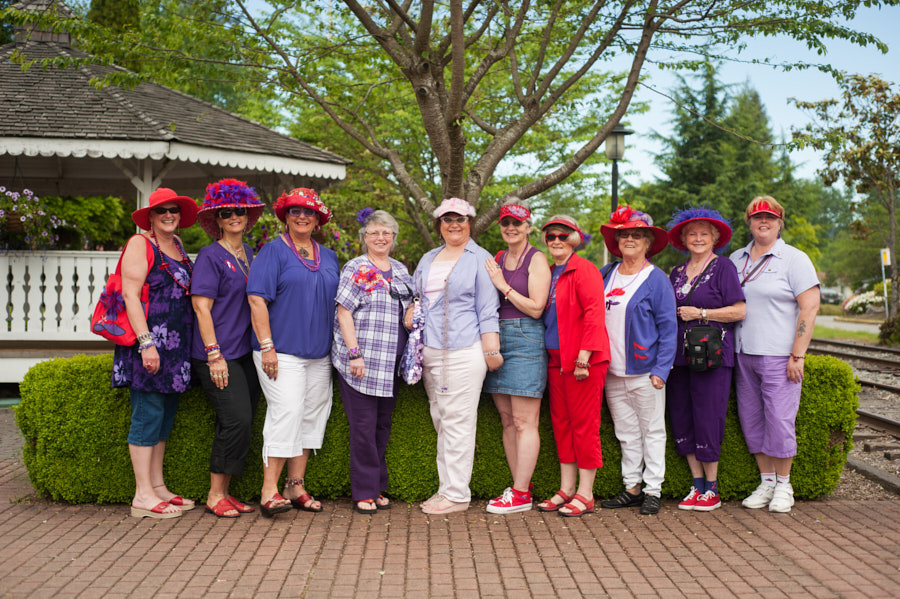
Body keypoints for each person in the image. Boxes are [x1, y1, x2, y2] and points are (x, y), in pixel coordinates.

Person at [247, 188, 340, 517]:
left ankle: (295, 485)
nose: (302, 217)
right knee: (286, 412)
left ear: (318, 220)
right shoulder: (272, 252)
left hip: (319, 354)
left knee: (312, 415)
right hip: (280, 351)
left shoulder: (328, 256)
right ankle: (269, 490)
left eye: (309, 212)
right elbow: (257, 299)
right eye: (295, 211)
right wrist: (268, 346)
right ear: (285, 217)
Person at [408, 197, 501, 515]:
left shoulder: (480, 258)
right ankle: (446, 488)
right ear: (439, 225)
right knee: (441, 418)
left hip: (464, 349)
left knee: (459, 421)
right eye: (447, 219)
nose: (454, 224)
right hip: (430, 349)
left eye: (460, 219)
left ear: (469, 223)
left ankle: (457, 494)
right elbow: (416, 296)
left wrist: (491, 350)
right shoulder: (429, 258)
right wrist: (411, 310)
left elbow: (488, 308)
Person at [112, 187, 198, 519]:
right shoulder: (140, 243)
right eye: (161, 210)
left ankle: (158, 487)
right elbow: (130, 295)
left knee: (163, 420)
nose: (168, 215)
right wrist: (146, 343)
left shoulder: (176, 246)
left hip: (175, 349)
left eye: (173, 209)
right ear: (150, 215)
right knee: (147, 416)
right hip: (149, 345)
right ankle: (142, 495)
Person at [730, 196, 819, 513]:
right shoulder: (736, 258)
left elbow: (809, 306)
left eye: (769, 217)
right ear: (749, 223)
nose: (762, 222)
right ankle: (766, 482)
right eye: (756, 218)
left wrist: (798, 353)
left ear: (780, 222)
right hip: (743, 353)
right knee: (752, 420)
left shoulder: (794, 259)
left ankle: (785, 485)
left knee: (780, 421)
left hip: (780, 355)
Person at [190, 179, 265, 518]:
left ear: (248, 216)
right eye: (226, 212)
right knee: (237, 419)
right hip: (218, 355)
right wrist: (213, 355)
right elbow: (201, 308)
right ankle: (214, 493)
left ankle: (227, 492)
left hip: (244, 353)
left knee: (239, 422)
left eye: (240, 211)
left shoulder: (249, 253)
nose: (234, 216)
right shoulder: (209, 255)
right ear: (217, 220)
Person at [596, 206, 676, 516]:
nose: (629, 240)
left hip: (645, 371)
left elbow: (669, 327)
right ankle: (631, 487)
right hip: (612, 371)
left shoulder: (656, 280)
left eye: (636, 235)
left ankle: (653, 490)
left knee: (652, 431)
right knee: (626, 432)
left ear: (647, 243)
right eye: (624, 235)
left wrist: (661, 369)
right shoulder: (606, 273)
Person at [332, 210, 414, 514]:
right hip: (361, 363)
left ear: (393, 237)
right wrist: (354, 353)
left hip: (390, 366)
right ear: (365, 237)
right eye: (374, 233)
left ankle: (377, 486)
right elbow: (343, 312)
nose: (381, 238)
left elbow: (409, 308)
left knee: (381, 426)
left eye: (386, 233)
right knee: (363, 428)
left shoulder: (402, 270)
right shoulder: (356, 267)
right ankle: (364, 491)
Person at [666, 207, 746, 512]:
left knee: (708, 417)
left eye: (704, 234)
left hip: (712, 354)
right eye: (692, 234)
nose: (698, 238)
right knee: (682, 416)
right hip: (679, 356)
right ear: (684, 239)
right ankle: (696, 485)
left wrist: (702, 313)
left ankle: (712, 489)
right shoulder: (675, 273)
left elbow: (739, 310)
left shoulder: (723, 267)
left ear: (714, 238)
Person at [535, 215, 610, 518]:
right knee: (561, 425)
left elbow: (594, 314)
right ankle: (567, 489)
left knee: (584, 425)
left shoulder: (586, 270)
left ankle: (586, 493)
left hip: (583, 361)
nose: (556, 241)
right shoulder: (549, 272)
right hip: (555, 360)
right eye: (551, 236)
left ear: (574, 239)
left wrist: (584, 357)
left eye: (562, 236)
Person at [482, 199, 551, 514]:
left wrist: (502, 286)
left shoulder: (537, 259)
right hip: (497, 338)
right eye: (506, 223)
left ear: (528, 227)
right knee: (508, 420)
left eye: (518, 223)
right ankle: (519, 487)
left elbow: (537, 307)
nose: (511, 228)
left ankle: (521, 492)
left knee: (525, 421)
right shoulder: (497, 257)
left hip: (525, 337)